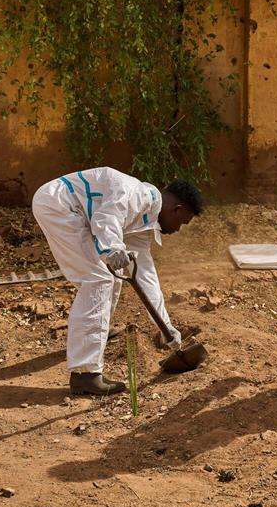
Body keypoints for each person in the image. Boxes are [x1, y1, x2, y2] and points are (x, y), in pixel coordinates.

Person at [32, 168, 203, 396]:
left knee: (112, 278)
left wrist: (165, 326)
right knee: (97, 280)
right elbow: (106, 218)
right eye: (183, 222)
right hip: (59, 205)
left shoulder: (143, 221)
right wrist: (112, 248)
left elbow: (144, 274)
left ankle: (97, 332)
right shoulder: (134, 194)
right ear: (176, 209)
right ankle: (85, 375)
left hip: (75, 212)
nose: (178, 229)